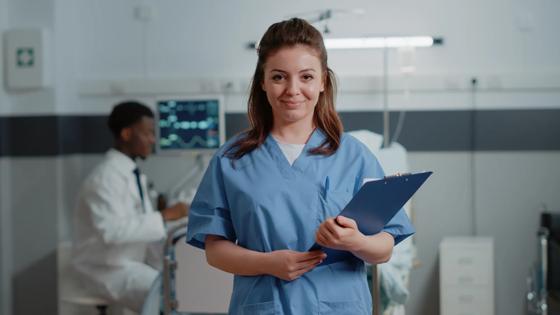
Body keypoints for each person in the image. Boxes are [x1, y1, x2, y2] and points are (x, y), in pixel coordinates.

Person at [186, 18, 414, 314]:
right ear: (262, 82)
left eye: (306, 77)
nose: (293, 89)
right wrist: (268, 263)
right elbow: (215, 250)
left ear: (323, 82)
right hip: (263, 306)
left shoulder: (354, 156)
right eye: (279, 77)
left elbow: (384, 247)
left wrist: (356, 241)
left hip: (339, 306)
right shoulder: (232, 159)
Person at [72, 101, 188, 313]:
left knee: (185, 286)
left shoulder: (132, 175)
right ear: (126, 134)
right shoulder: (104, 179)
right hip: (105, 270)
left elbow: (141, 226)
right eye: (147, 133)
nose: (153, 140)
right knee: (170, 296)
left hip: (128, 262)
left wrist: (175, 221)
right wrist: (164, 216)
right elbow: (113, 231)